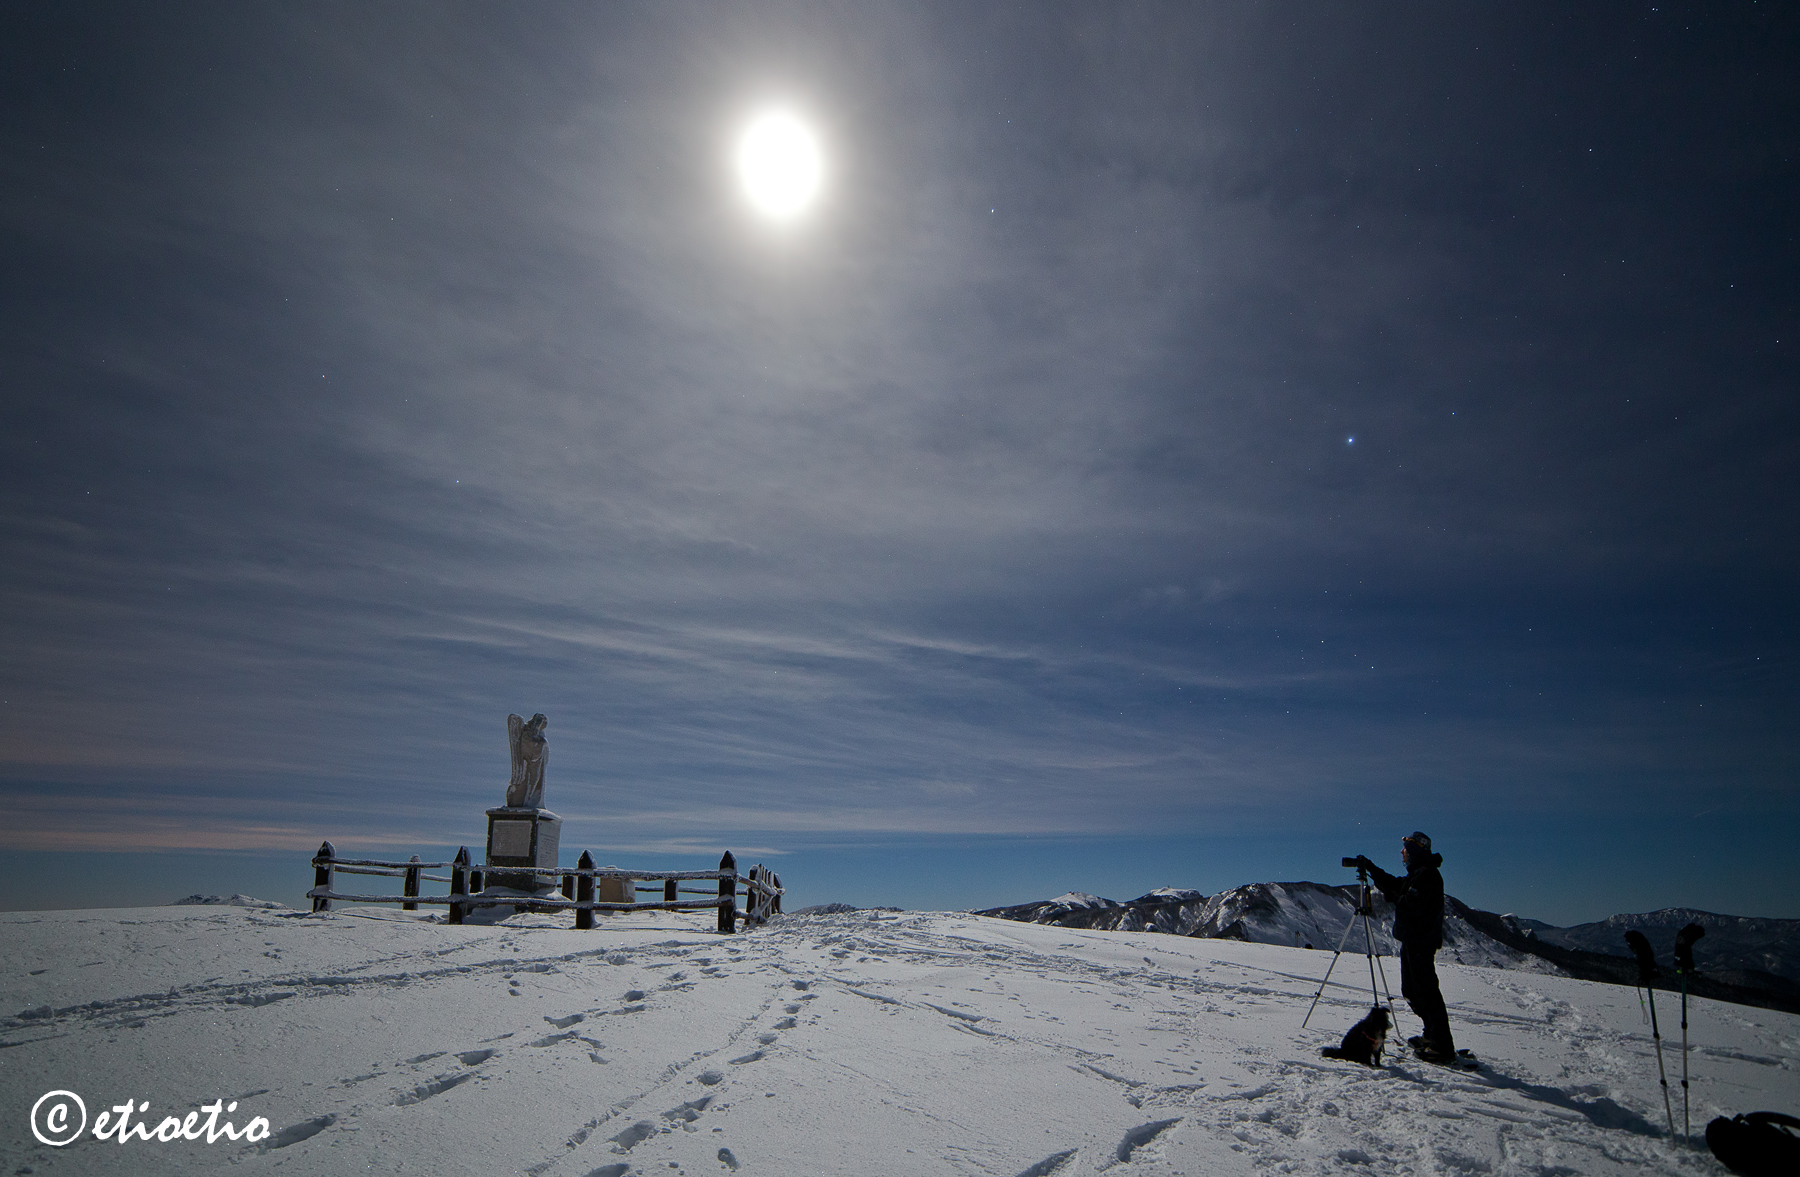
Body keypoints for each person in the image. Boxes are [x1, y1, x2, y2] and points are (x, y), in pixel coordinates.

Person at [1355, 832, 1456, 1063]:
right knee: (1412, 991)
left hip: (1421, 941)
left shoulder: (1428, 876)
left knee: (1427, 993)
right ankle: (1430, 1036)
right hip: (1413, 941)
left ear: (1415, 852)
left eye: (1406, 849)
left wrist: (1391, 895)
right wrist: (1370, 868)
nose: (1402, 852)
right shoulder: (1418, 874)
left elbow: (1412, 904)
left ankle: (1442, 1046)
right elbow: (1395, 884)